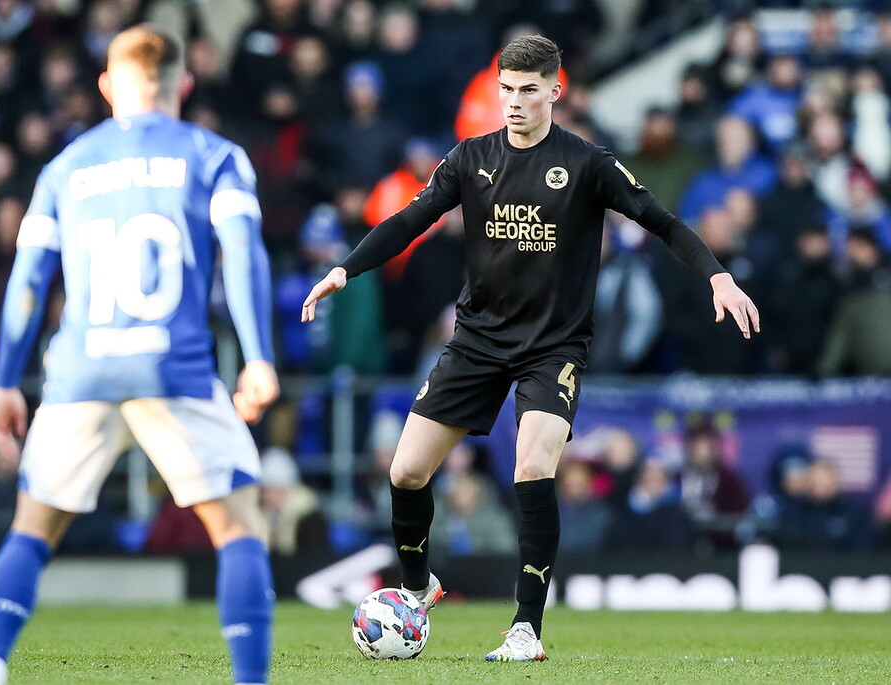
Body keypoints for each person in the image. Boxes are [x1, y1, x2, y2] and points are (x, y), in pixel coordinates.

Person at [302, 35, 759, 662]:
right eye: (506, 90)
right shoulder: (470, 158)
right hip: (478, 342)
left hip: (553, 345)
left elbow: (665, 222)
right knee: (405, 471)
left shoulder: (587, 162)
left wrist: (717, 274)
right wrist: (345, 270)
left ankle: (525, 628)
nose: (514, 103)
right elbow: (409, 221)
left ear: (554, 90)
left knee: (532, 465)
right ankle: (416, 587)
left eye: (527, 90)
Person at [0, 25, 278, 685]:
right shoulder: (215, 154)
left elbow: (26, 280)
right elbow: (244, 253)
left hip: (83, 369)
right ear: (182, 85)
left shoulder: (65, 166)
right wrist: (258, 356)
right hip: (174, 365)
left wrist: (3, 380)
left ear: (109, 86)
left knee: (31, 530)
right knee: (240, 526)